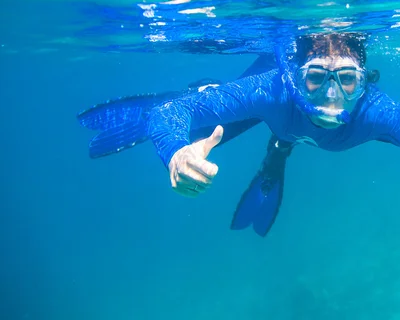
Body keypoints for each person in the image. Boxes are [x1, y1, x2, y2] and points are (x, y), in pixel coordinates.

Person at [147, 32, 400, 232]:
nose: (331, 95)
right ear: (295, 79)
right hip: (278, 115)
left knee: (285, 133)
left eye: (347, 79)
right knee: (254, 119)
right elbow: (168, 112)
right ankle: (223, 101)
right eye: (316, 77)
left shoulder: (377, 111)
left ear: (364, 84)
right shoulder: (273, 89)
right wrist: (176, 151)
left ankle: (277, 154)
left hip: (286, 121)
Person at [77, 55, 296, 236]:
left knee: (287, 123)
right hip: (283, 81)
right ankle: (200, 97)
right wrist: (176, 151)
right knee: (216, 127)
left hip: (294, 112)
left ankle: (277, 154)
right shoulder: (276, 81)